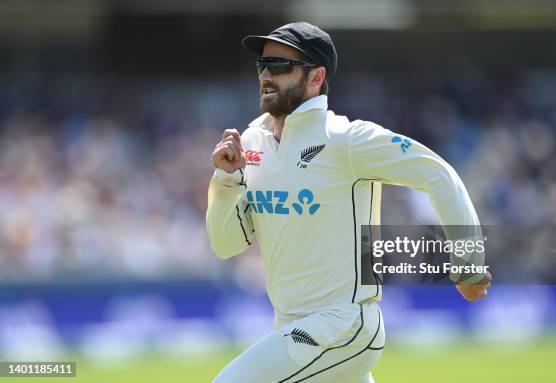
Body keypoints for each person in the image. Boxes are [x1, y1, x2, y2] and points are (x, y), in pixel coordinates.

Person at [206, 21, 490, 383]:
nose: (266, 75)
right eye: (263, 65)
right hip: (294, 326)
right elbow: (225, 244)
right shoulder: (252, 142)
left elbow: (440, 175)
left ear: (315, 77)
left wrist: (468, 263)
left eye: (280, 66)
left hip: (343, 327)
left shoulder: (347, 140)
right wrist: (226, 179)